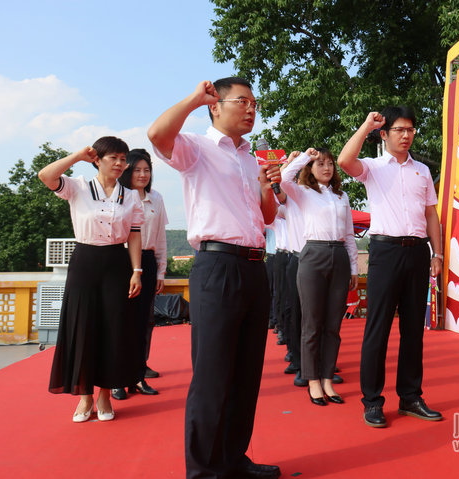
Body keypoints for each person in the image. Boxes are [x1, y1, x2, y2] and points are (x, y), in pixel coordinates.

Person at [148, 77, 281, 479]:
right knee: (212, 374)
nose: (251, 109)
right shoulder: (198, 148)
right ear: (215, 106)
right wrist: (192, 97)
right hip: (216, 268)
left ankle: (234, 460)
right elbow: (156, 133)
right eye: (242, 101)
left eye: (255, 103)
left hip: (255, 265)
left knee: (246, 373)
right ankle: (205, 471)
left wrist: (267, 188)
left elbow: (268, 218)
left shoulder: (249, 158)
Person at [337, 107, 444, 427]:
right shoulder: (372, 167)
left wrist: (437, 254)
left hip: (418, 253)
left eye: (411, 129)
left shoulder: (422, 171)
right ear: (384, 135)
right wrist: (366, 125)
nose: (407, 135)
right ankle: (372, 401)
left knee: (413, 330)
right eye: (399, 130)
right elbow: (344, 161)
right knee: (378, 329)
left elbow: (431, 216)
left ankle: (410, 396)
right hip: (384, 252)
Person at [39, 136, 144, 423]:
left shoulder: (131, 196)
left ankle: (105, 394)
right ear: (97, 159)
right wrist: (77, 156)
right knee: (82, 326)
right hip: (84, 261)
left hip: (116, 263)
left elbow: (135, 234)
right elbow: (46, 176)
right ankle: (85, 396)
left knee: (113, 328)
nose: (121, 164)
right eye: (114, 158)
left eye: (124, 159)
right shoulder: (79, 186)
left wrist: (137, 271)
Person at [280, 148, 358, 406]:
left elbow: (348, 234)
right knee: (312, 323)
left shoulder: (341, 196)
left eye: (330, 164)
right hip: (312, 254)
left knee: (333, 325)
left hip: (339, 257)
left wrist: (354, 268)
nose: (326, 168)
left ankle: (327, 377)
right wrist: (305, 156)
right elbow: (283, 178)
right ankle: (312, 379)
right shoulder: (303, 193)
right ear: (311, 169)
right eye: (320, 164)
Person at [111, 149, 168, 400]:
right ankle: (115, 379)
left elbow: (161, 239)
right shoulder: (118, 196)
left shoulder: (156, 198)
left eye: (147, 170)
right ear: (127, 171)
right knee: (120, 322)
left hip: (147, 260)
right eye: (137, 170)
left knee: (144, 322)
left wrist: (161, 271)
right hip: (122, 262)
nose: (143, 174)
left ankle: (137, 375)